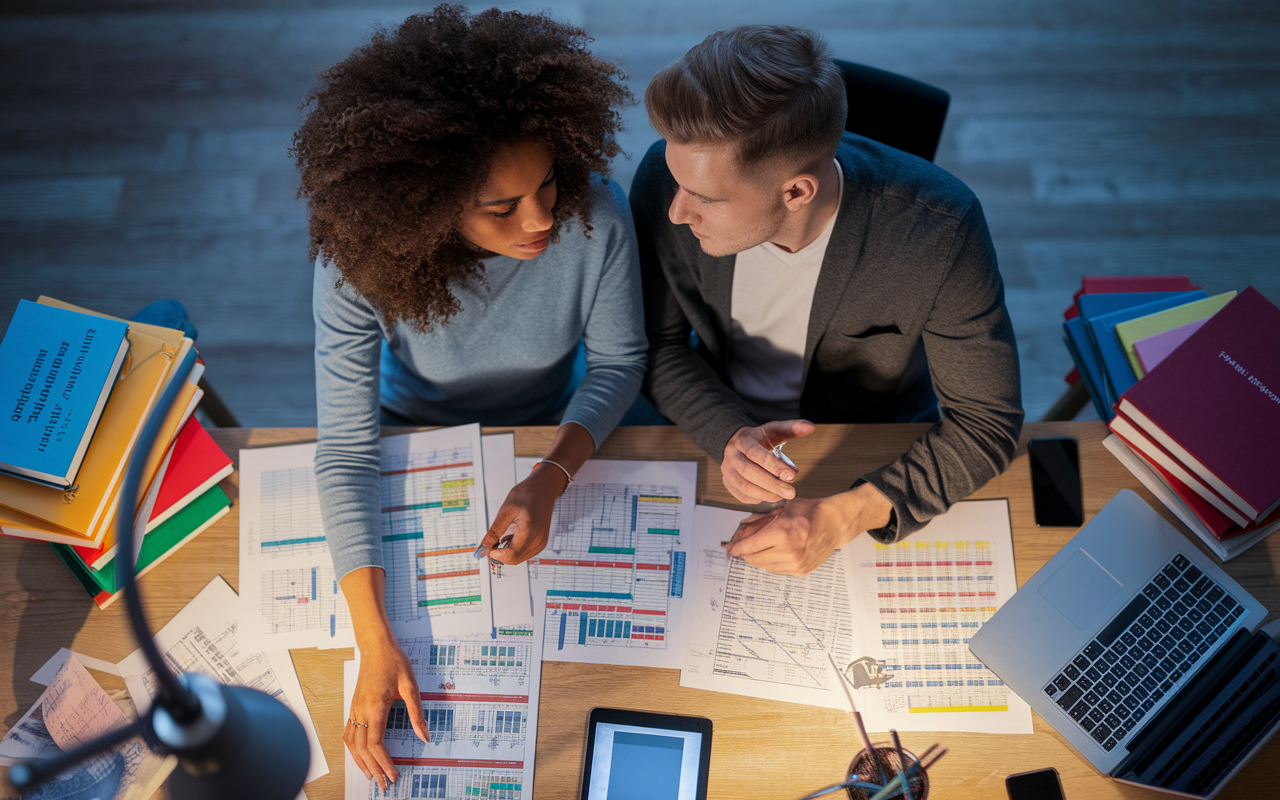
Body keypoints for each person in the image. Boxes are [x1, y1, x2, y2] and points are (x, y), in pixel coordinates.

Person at [293, 6, 645, 791]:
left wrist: (549, 475)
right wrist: (374, 643)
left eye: (548, 182)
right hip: (411, 428)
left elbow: (621, 363)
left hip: (546, 428)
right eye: (502, 207)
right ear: (424, 206)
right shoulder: (358, 262)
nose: (544, 218)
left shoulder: (597, 219)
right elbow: (348, 449)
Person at [631, 25, 1024, 577]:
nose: (676, 212)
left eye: (706, 199)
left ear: (796, 192)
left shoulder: (940, 231)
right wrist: (727, 433)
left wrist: (844, 517)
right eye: (678, 185)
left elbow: (986, 424)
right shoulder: (664, 178)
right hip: (715, 408)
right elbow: (658, 344)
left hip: (867, 437)